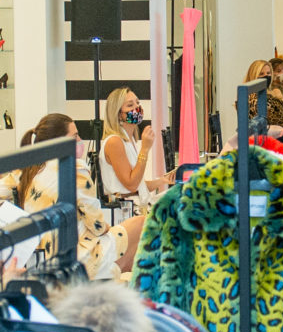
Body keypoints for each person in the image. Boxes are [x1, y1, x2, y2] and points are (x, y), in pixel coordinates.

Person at [20, 114, 146, 278]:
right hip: (79, 257)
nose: (80, 139)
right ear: (59, 142)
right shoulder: (74, 168)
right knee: (142, 224)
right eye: (75, 136)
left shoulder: (28, 171)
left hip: (44, 257)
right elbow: (98, 226)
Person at [99, 87, 171, 208]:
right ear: (118, 114)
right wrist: (145, 149)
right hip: (126, 208)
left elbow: (138, 185)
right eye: (130, 105)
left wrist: (163, 180)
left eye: (137, 103)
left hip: (138, 203)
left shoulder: (129, 139)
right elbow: (131, 185)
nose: (136, 108)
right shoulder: (114, 142)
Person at [244, 60, 283, 127]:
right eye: (261, 74)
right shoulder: (256, 99)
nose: (266, 76)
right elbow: (281, 123)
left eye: (268, 73)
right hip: (280, 135)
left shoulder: (268, 94)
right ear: (254, 76)